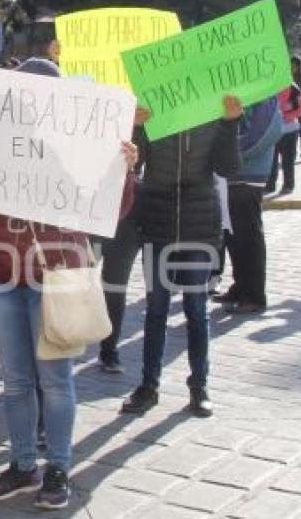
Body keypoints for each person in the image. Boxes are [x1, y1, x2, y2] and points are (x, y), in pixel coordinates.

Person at [0, 58, 138, 510]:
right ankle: (23, 463)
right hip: (3, 274)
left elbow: (114, 209)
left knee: (55, 379)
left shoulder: (81, 145)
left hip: (58, 276)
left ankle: (59, 468)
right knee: (15, 381)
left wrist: (124, 169)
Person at [122, 95, 243, 418]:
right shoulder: (154, 111)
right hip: (158, 220)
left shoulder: (211, 111)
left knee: (196, 308)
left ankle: (199, 386)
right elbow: (134, 161)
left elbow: (228, 166)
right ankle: (149, 386)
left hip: (198, 222)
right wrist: (135, 127)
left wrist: (231, 123)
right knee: (156, 309)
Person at [214, 97, 283, 314]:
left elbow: (265, 134)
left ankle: (254, 295)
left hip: (249, 175)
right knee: (233, 236)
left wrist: (230, 155)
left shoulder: (265, 97)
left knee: (249, 236)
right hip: (229, 177)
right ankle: (240, 286)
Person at [97, 112, 148, 374]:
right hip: (88, 212)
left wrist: (138, 127)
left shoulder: (147, 111)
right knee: (73, 281)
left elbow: (149, 160)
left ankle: (109, 349)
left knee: (114, 286)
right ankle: (64, 338)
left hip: (126, 217)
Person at [266, 83, 301, 195]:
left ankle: (288, 185)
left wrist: (285, 116)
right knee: (272, 160)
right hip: (273, 131)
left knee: (288, 160)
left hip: (290, 131)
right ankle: (270, 185)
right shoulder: (270, 87)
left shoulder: (294, 88)